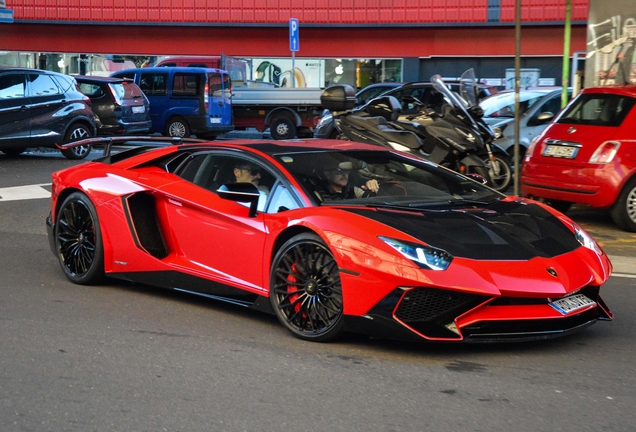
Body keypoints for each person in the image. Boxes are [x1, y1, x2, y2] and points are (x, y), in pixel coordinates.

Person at [315, 160, 379, 201]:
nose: (344, 174)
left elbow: (367, 199)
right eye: (339, 171)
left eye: (346, 171)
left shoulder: (351, 189)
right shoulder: (319, 195)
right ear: (328, 174)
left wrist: (371, 188)